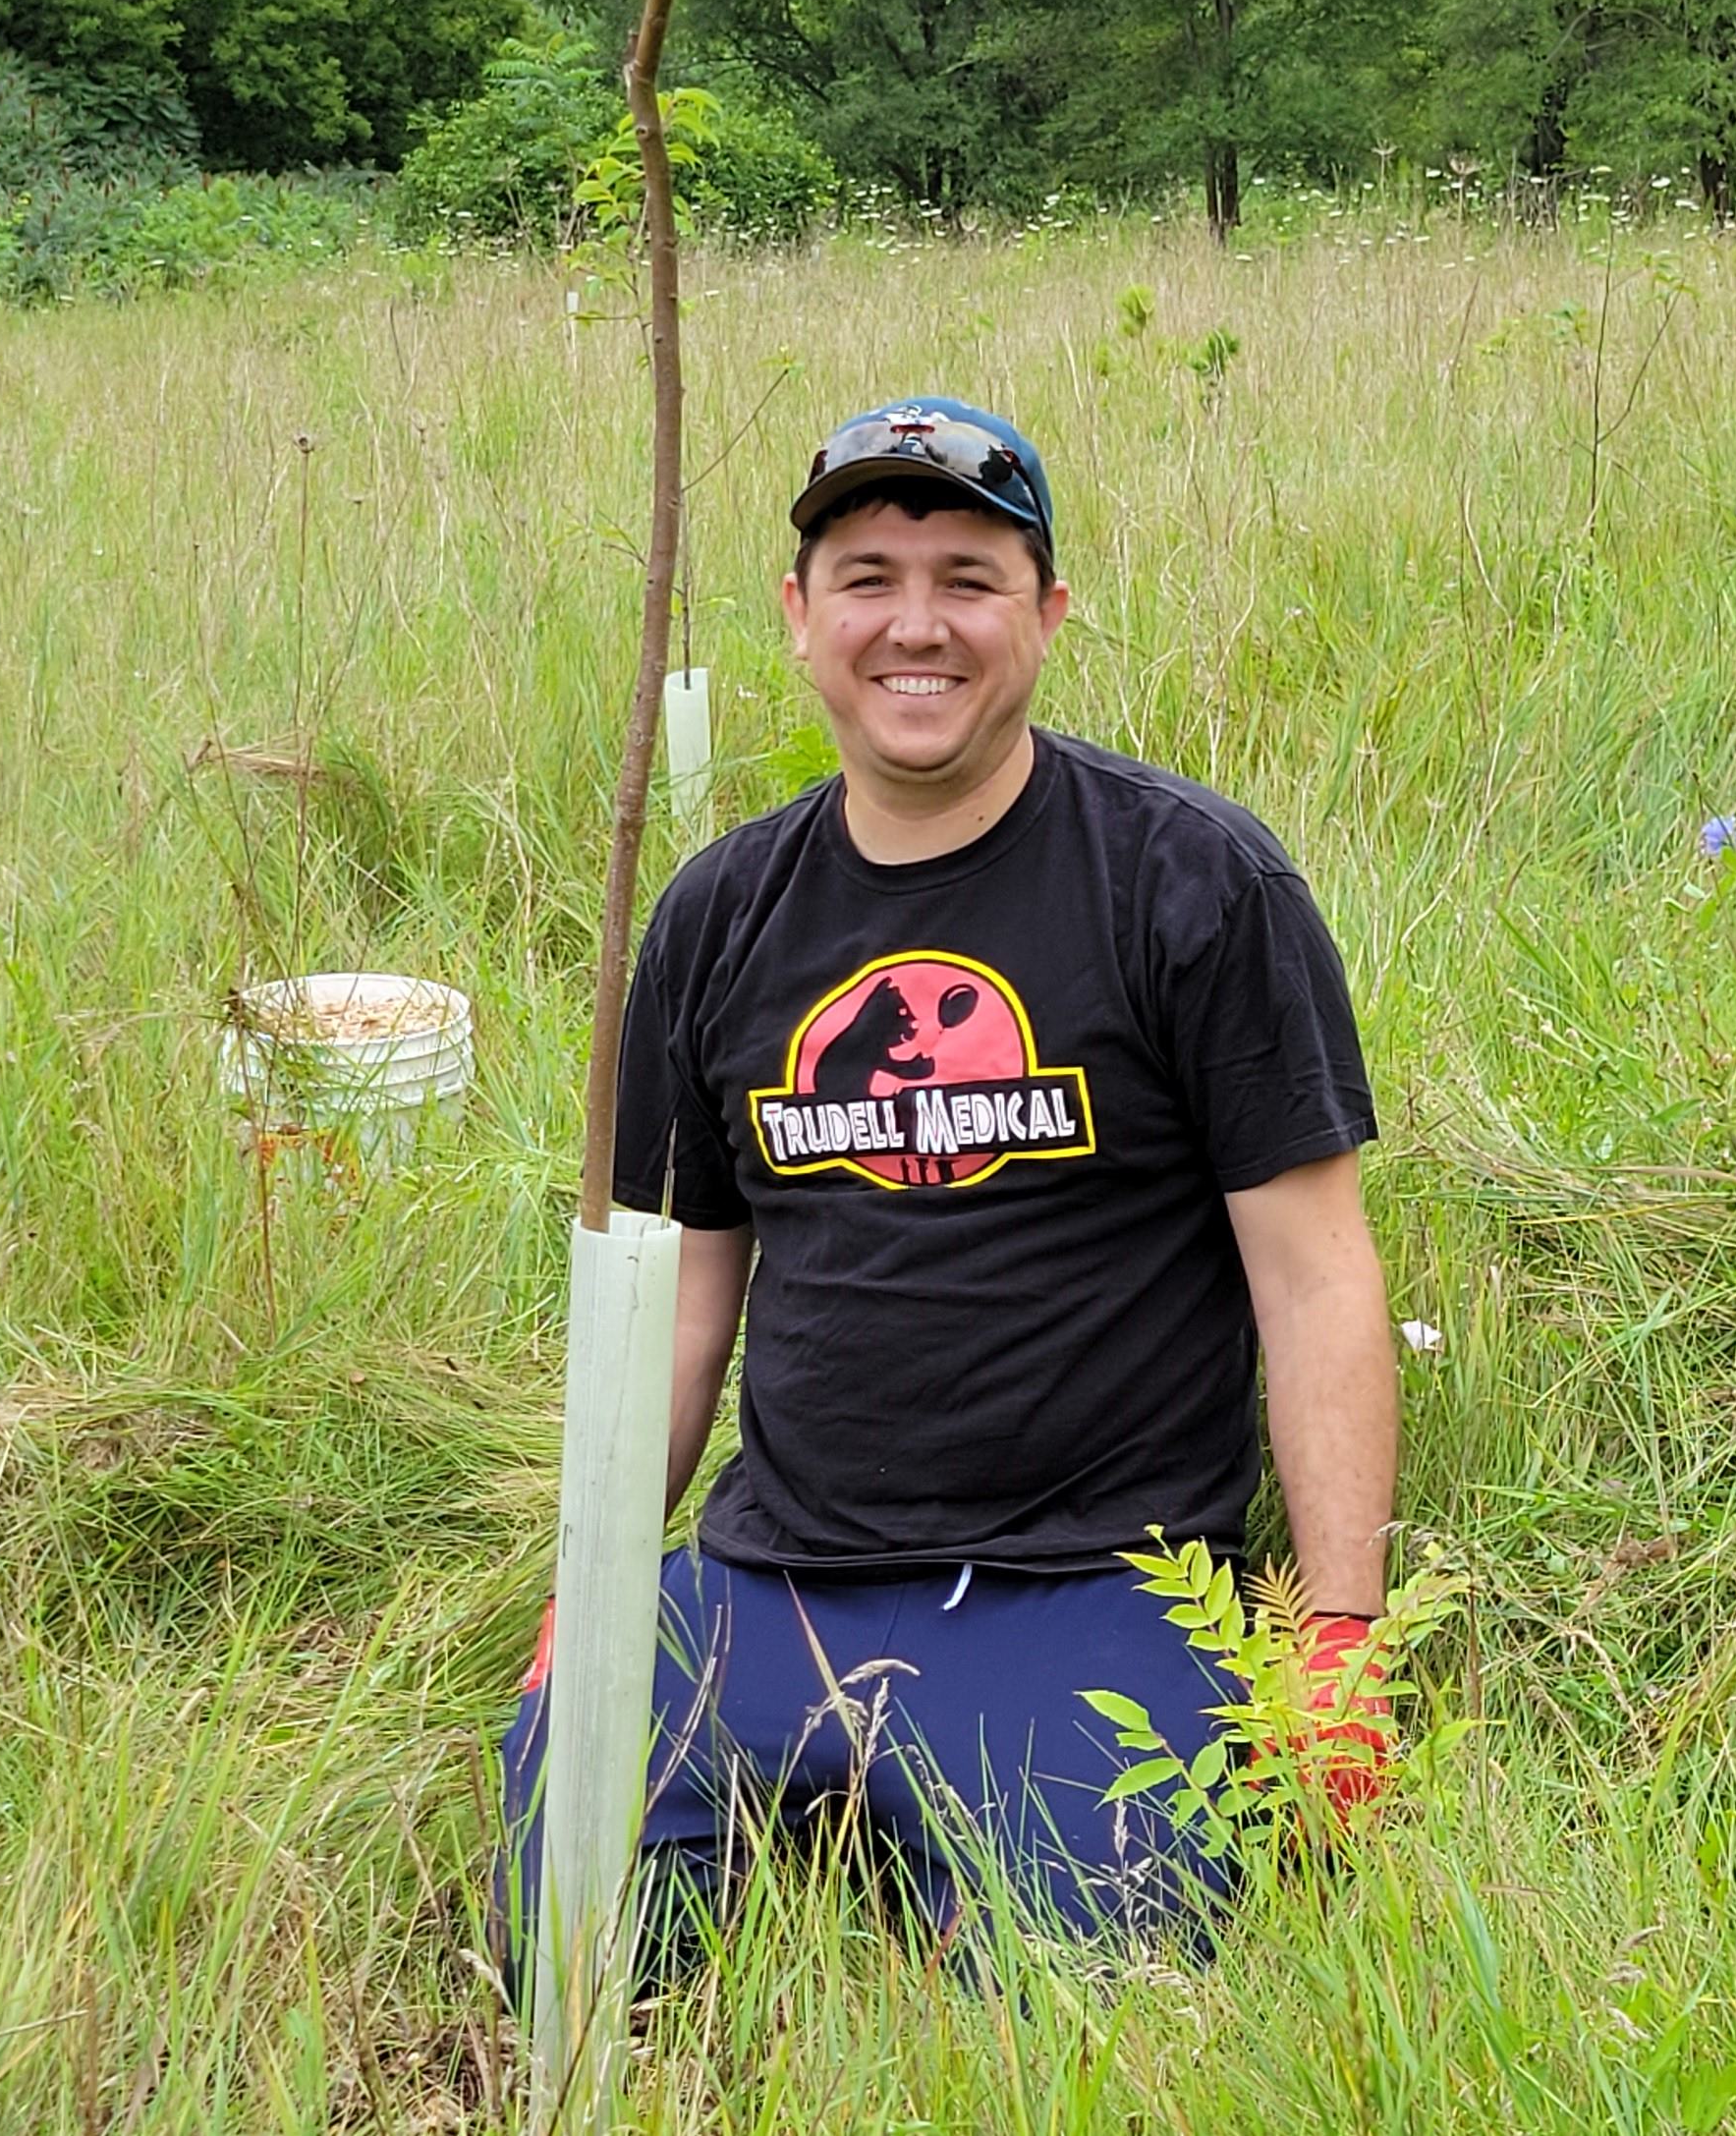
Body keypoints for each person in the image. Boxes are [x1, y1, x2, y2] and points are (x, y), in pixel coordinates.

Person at [498, 398, 1398, 1995]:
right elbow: (685, 1301)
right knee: (568, 1948)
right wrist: (602, 1587)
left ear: (1047, 613)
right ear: (800, 617)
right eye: (869, 578)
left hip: (1096, 1589)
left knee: (1081, 2018)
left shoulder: (1194, 881)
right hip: (771, 1578)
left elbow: (1317, 1278)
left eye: (970, 580)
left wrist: (1336, 1643)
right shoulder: (716, 915)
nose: (917, 626)